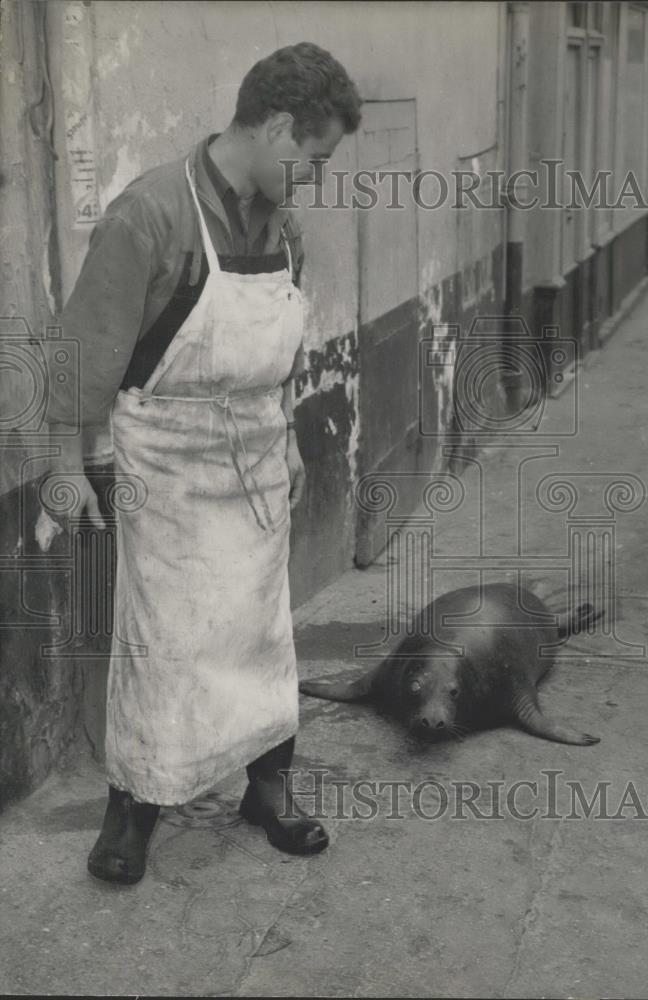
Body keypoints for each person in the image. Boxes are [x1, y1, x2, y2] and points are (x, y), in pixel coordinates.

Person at [45, 42, 362, 885]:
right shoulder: (148, 215)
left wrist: (287, 431)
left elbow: (277, 348)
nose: (317, 177)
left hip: (256, 452)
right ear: (280, 126)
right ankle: (135, 804)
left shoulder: (282, 227)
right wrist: (62, 463)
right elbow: (81, 357)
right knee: (165, 638)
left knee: (261, 632)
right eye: (315, 158)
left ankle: (268, 786)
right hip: (169, 459)